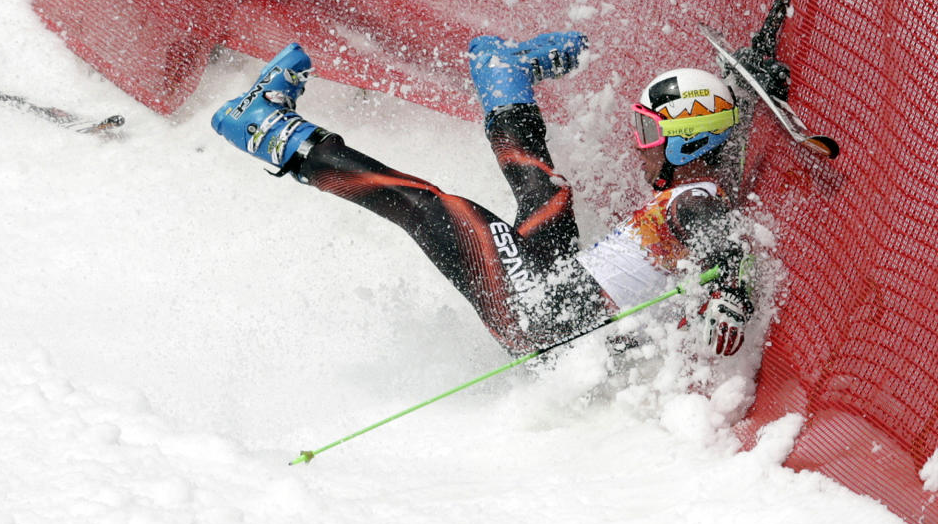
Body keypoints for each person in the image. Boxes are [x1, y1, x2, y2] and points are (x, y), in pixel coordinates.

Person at [211, 31, 757, 358]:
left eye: (647, 136)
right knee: (550, 196)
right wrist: (747, 83)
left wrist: (730, 289)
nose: (637, 149)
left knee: (428, 207)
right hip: (562, 288)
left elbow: (716, 236)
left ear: (688, 146)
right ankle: (506, 78)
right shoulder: (696, 183)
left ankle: (270, 132)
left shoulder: (694, 201)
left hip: (541, 313)